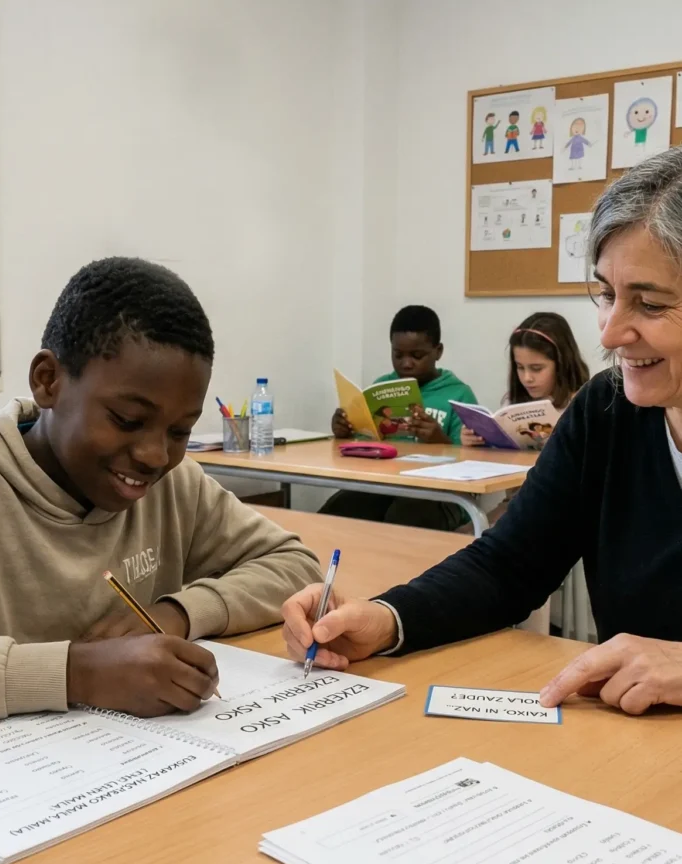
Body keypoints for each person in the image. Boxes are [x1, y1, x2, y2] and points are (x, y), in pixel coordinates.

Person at [283, 146, 682, 717]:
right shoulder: (605, 411)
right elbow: (509, 565)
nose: (610, 332)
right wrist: (388, 619)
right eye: (606, 294)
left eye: (650, 304)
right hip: (629, 742)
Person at [0, 257, 322, 720]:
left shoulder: (171, 484)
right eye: (128, 420)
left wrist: (177, 613)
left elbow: (295, 566)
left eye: (179, 431)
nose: (154, 455)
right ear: (48, 381)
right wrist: (77, 674)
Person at [325, 305, 477, 530]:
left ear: (438, 351)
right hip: (385, 485)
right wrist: (344, 431)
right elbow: (363, 447)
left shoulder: (459, 395)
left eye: (417, 356)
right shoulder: (382, 386)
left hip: (442, 495)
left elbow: (472, 465)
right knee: (339, 510)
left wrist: (439, 439)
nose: (406, 363)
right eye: (398, 355)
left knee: (405, 515)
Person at [461, 311, 590, 450]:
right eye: (520, 367)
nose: (527, 378)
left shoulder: (583, 404)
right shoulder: (512, 403)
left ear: (562, 364)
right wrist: (476, 441)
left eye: (537, 368)